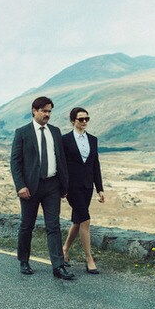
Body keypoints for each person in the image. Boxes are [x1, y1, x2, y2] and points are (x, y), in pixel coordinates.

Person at [10, 96, 74, 280]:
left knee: (53, 226)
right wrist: (20, 186)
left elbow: (60, 159)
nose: (47, 114)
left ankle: (58, 266)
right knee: (27, 225)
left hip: (52, 186)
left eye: (49, 111)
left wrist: (64, 185)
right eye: (44, 111)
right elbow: (15, 162)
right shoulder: (22, 132)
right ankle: (24, 260)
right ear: (34, 110)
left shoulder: (55, 131)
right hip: (30, 188)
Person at [61, 107, 105, 274]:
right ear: (73, 121)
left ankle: (64, 250)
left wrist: (99, 188)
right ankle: (89, 258)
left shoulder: (93, 140)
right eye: (81, 119)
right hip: (72, 187)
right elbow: (62, 165)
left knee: (78, 221)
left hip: (87, 186)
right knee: (85, 220)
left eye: (87, 118)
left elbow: (95, 165)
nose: (84, 121)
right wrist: (62, 187)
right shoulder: (64, 140)